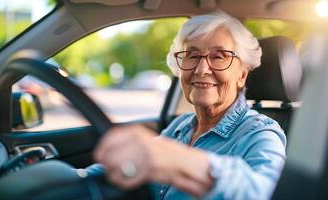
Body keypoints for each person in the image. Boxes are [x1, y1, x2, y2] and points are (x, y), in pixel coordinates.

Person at [87, 11, 286, 200]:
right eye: (192, 55)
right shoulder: (180, 126)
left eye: (218, 56)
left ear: (242, 75)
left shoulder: (260, 132)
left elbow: (270, 191)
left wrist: (182, 161)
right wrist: (69, 178)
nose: (201, 69)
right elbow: (136, 162)